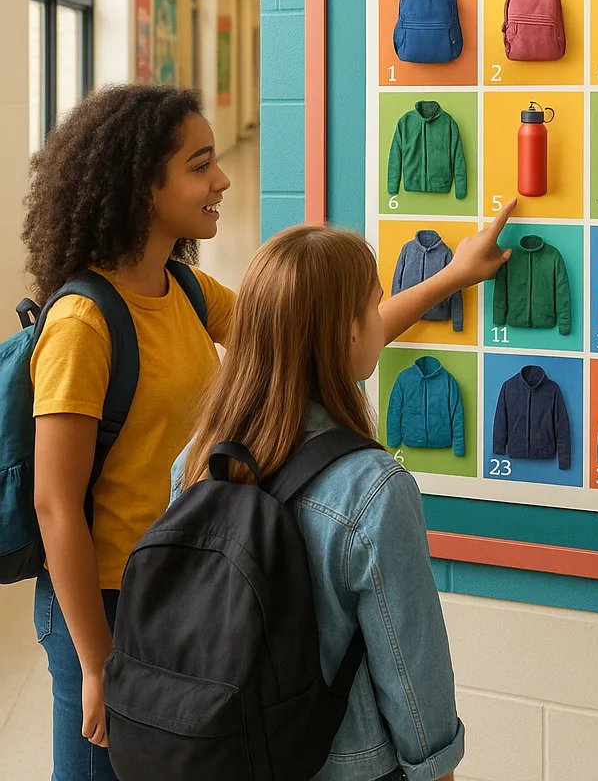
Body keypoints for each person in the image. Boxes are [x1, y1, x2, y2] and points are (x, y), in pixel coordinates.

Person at [25, 83, 513, 781]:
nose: (222, 179)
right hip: (109, 605)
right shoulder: (83, 323)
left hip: (193, 584)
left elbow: (307, 339)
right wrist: (98, 664)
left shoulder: (184, 290)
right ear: (143, 187)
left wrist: (452, 277)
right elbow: (54, 505)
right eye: (200, 165)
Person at [173, 223, 476, 781]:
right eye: (374, 305)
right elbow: (410, 665)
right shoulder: (373, 489)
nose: (381, 319)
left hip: (224, 750)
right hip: (346, 764)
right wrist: (438, 766)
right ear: (348, 333)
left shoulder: (198, 458)